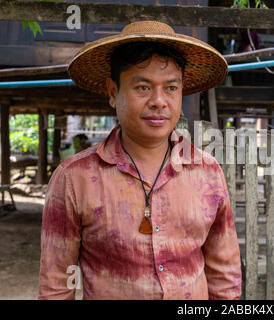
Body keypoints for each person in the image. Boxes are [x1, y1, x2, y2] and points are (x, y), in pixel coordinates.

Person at [38, 21, 241, 300]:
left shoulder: (207, 172)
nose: (159, 101)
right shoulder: (75, 178)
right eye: (143, 88)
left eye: (171, 88)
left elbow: (224, 274)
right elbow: (56, 284)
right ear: (113, 92)